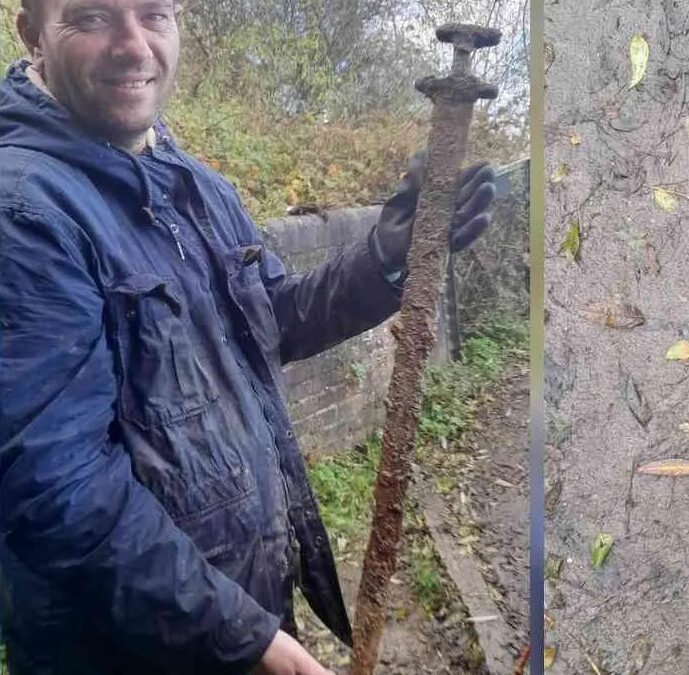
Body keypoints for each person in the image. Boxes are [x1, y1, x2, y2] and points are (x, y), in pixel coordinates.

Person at [0, 0, 496, 673]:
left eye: (154, 14)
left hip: (235, 608)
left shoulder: (194, 186)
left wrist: (385, 258)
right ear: (32, 35)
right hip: (128, 645)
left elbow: (268, 318)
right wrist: (242, 635)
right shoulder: (25, 211)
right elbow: (57, 486)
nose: (134, 46)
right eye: (91, 17)